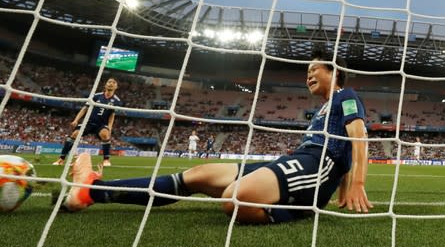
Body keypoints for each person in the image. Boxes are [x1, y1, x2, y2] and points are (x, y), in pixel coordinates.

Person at [62, 51, 372, 224]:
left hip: (313, 169)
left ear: (336, 73)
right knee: (199, 174)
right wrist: (344, 185)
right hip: (298, 163)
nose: (308, 75)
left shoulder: (347, 96)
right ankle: (90, 191)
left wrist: (356, 182)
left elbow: (357, 137)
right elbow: (342, 147)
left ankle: (299, 211)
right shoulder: (324, 109)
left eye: (314, 70)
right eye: (307, 72)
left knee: (235, 198)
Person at [53, 78, 122, 167]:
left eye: (113, 83)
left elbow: (112, 115)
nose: (111, 84)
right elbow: (85, 108)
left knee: (105, 134)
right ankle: (61, 159)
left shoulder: (117, 101)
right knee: (75, 134)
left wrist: (109, 127)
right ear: (105, 85)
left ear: (116, 87)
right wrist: (76, 120)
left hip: (101, 125)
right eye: (109, 82)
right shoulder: (96, 96)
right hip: (88, 122)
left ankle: (106, 160)